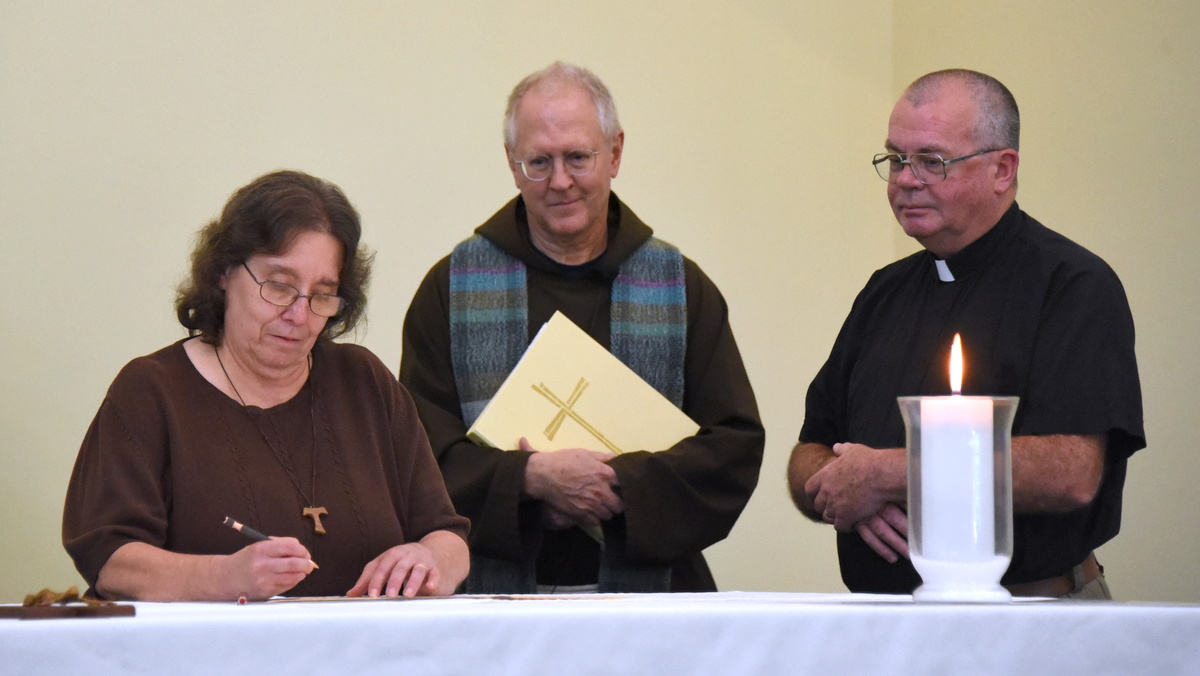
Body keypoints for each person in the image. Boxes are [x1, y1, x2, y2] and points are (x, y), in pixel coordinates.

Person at [400, 62, 764, 593]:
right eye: (538, 162)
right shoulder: (450, 288)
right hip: (490, 599)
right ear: (511, 163)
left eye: (578, 157)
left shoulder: (679, 287)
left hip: (651, 597)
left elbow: (732, 450)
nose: (561, 181)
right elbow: (414, 457)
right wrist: (529, 481)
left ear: (614, 153)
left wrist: (614, 484)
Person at [788, 69, 1145, 599]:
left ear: (1002, 169)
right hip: (885, 620)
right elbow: (809, 451)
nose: (906, 179)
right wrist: (846, 489)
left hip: (1034, 615)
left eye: (932, 161)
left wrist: (885, 475)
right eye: (895, 159)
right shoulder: (883, 293)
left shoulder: (1072, 285)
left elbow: (1072, 473)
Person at [63, 170, 470, 601]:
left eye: (322, 294)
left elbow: (448, 535)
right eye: (279, 285)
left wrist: (430, 560)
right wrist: (225, 576)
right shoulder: (151, 391)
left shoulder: (364, 383)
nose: (299, 314)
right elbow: (110, 560)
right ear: (224, 271)